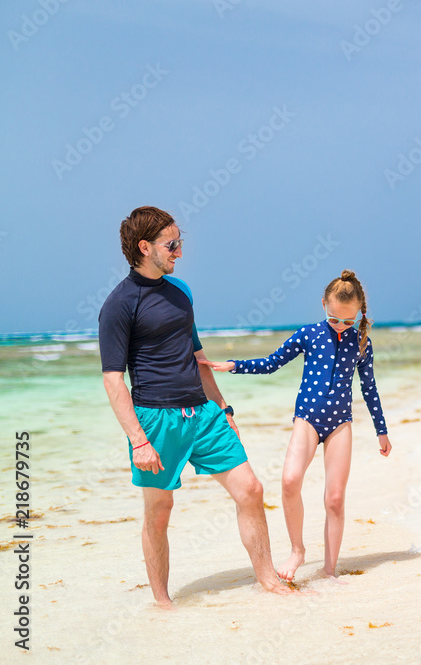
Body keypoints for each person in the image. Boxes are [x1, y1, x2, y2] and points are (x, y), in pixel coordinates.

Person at [99, 206, 299, 608]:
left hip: (203, 413)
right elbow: (113, 379)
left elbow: (197, 354)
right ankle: (162, 602)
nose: (179, 252)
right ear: (145, 247)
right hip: (155, 420)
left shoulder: (181, 293)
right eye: (171, 245)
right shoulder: (119, 305)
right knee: (159, 510)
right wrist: (138, 440)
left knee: (251, 489)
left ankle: (267, 579)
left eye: (179, 244)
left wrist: (223, 409)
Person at [200, 270, 392, 582]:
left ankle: (329, 570)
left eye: (348, 321)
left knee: (335, 499)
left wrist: (380, 430)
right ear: (323, 306)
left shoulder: (361, 344)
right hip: (307, 418)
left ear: (359, 314)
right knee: (289, 481)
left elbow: (369, 388)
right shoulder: (309, 334)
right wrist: (235, 366)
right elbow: (272, 362)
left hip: (340, 423)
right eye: (334, 319)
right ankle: (297, 550)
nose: (341, 327)